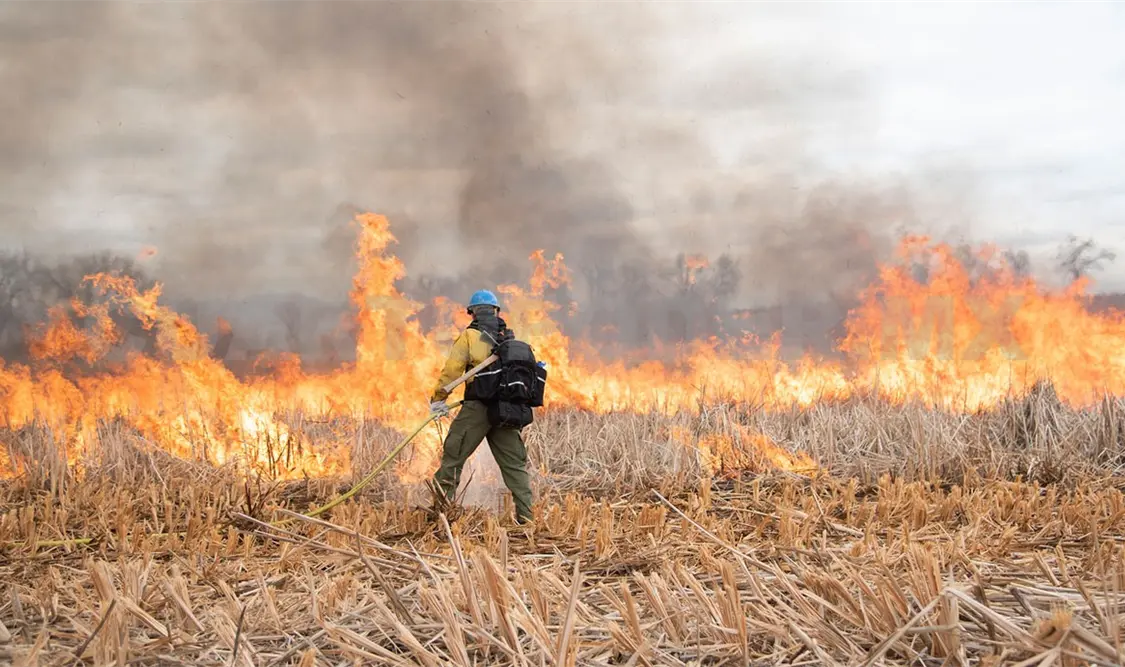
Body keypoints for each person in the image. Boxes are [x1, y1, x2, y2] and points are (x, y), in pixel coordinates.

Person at [429, 289, 534, 524]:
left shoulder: (470, 336)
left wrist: (438, 399)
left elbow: (452, 370)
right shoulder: (513, 340)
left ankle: (440, 517)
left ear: (473, 313)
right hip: (506, 410)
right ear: (497, 311)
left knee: (453, 458)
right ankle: (527, 518)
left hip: (478, 409)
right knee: (515, 466)